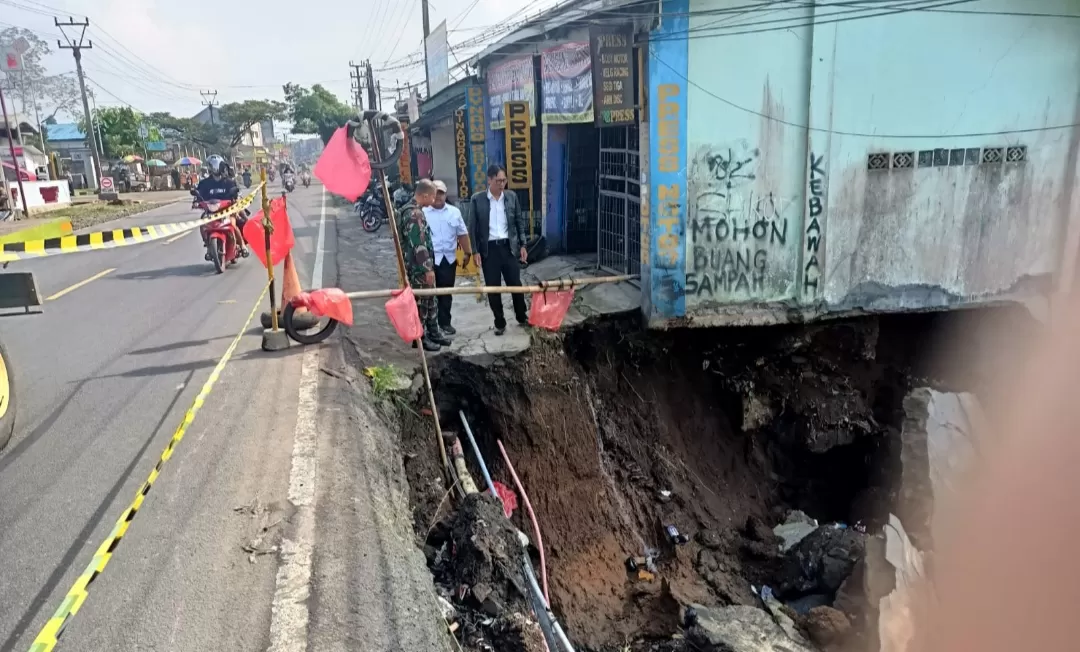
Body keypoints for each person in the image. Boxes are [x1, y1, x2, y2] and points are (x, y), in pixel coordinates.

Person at [468, 164, 529, 335]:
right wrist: (475, 251)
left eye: (504, 180)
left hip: (508, 247)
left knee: (516, 285)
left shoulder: (511, 197)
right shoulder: (477, 200)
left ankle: (521, 315)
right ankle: (500, 322)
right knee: (493, 289)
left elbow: (519, 222)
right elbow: (472, 228)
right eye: (498, 180)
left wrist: (523, 245)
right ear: (489, 180)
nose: (502, 184)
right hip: (489, 251)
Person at [398, 178, 451, 351]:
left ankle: (433, 331)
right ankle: (420, 338)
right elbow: (418, 245)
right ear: (426, 195)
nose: (435, 199)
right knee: (421, 303)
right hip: (418, 269)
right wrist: (428, 269)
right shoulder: (414, 214)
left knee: (430, 300)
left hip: (421, 267)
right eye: (434, 196)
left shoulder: (415, 211)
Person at [423, 180, 474, 335]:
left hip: (448, 259)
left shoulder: (454, 212)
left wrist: (467, 252)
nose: (438, 197)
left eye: (441, 193)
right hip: (429, 261)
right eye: (436, 193)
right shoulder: (423, 212)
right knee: (428, 295)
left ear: (445, 195)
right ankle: (429, 327)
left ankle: (445, 323)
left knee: (446, 294)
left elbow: (462, 234)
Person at [195, 155, 247, 255]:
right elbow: (199, 194)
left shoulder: (229, 182)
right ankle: (208, 244)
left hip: (227, 210)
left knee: (232, 223)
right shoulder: (204, 183)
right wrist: (197, 200)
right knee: (202, 225)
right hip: (211, 212)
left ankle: (243, 246)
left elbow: (236, 193)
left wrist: (235, 200)